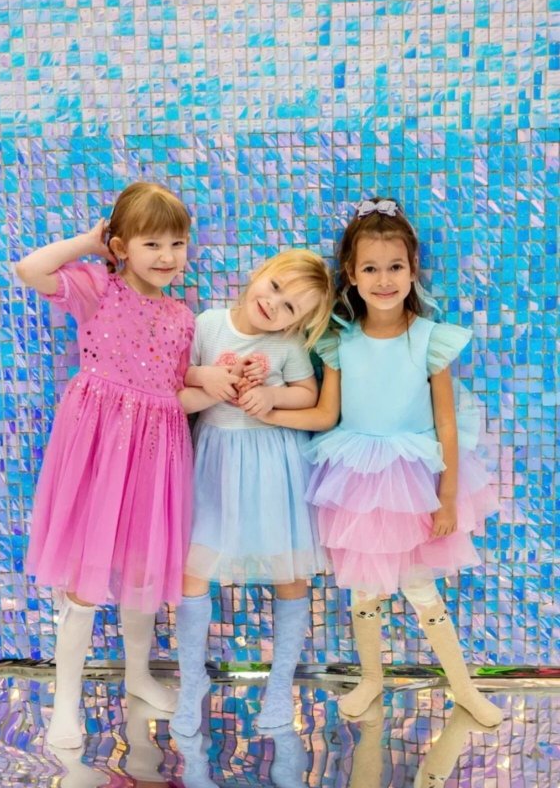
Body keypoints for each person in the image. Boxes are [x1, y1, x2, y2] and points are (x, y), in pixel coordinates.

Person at [257, 198, 503, 728]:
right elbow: (327, 413)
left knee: (419, 587)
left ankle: (463, 687)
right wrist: (268, 410)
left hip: (414, 482)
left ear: (413, 270)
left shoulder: (429, 339)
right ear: (351, 274)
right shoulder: (339, 341)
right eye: (370, 268)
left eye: (395, 267)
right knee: (364, 587)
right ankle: (371, 678)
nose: (384, 279)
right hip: (356, 481)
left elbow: (446, 425)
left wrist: (447, 497)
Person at [16, 182, 195, 748]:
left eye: (176, 243)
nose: (167, 256)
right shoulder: (98, 288)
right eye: (152, 244)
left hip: (155, 453)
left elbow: (174, 388)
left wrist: (215, 385)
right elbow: (29, 269)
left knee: (143, 569)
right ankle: (65, 702)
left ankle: (138, 676)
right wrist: (89, 244)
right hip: (98, 450)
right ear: (121, 247)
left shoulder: (183, 317)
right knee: (85, 578)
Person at [172, 250, 334, 736]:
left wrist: (272, 396)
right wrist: (207, 378)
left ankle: (280, 683)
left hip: (272, 465)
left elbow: (307, 394)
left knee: (288, 570)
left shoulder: (286, 344)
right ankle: (191, 681)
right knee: (194, 569)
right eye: (276, 287)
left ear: (297, 323)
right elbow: (178, 378)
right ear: (260, 274)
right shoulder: (208, 324)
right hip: (215, 461)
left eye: (290, 308)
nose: (274, 305)